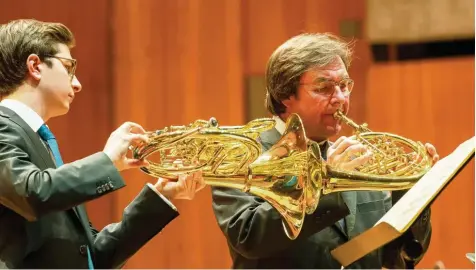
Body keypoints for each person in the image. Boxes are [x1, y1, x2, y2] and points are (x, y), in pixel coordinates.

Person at [211, 33, 440, 269]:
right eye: (324, 88)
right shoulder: (240, 157)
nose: (340, 98)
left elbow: (400, 256)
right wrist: (326, 182)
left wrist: (414, 195)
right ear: (285, 96)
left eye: (344, 86)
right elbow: (249, 236)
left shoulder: (361, 161)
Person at [0, 19, 205, 268]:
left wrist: (160, 196)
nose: (77, 83)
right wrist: (107, 160)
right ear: (35, 66)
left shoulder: (40, 142)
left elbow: (93, 257)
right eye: (69, 68)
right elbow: (32, 193)